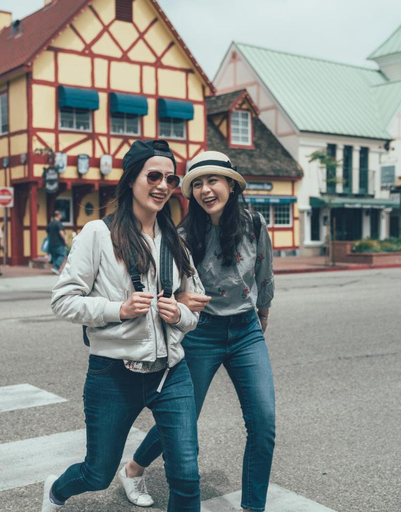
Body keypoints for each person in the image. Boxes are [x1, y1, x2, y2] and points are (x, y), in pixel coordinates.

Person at [43, 140, 205, 512]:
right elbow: (62, 300)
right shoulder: (97, 234)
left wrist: (178, 314)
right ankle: (56, 491)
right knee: (97, 473)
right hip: (113, 374)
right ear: (132, 178)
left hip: (171, 373)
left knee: (186, 474)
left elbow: (192, 309)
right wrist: (119, 309)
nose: (163, 185)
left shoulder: (177, 243)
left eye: (170, 178)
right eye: (154, 176)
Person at [122, 151, 276, 512]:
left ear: (230, 185)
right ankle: (132, 469)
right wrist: (179, 297)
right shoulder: (180, 235)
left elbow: (266, 270)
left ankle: (254, 507)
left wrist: (263, 312)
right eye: (198, 184)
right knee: (181, 418)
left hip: (245, 330)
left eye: (213, 181)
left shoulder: (253, 223)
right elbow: (165, 288)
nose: (206, 190)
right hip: (201, 334)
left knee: (264, 423)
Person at [46, 210, 67, 275]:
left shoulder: (51, 223)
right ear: (58, 215)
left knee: (55, 256)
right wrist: (65, 240)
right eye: (60, 215)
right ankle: (56, 267)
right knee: (62, 255)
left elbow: (47, 231)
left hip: (51, 243)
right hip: (59, 243)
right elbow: (61, 232)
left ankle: (55, 269)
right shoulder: (58, 223)